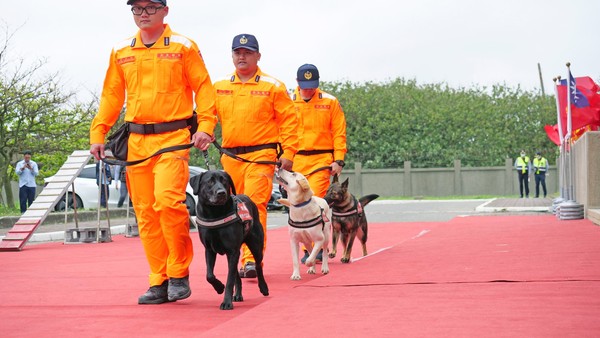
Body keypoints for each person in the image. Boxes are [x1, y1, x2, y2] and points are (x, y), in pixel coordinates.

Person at [89, 0, 217, 305]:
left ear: (165, 11)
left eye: (150, 7)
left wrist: (207, 125)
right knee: (146, 212)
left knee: (168, 202)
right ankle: (158, 279)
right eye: (137, 8)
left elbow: (204, 87)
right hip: (136, 142)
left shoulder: (184, 46)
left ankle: (178, 273)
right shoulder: (121, 51)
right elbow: (111, 94)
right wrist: (98, 132)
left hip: (173, 137)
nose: (143, 14)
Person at [214, 33, 299, 278]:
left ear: (258, 56)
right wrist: (204, 132)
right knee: (231, 207)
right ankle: (235, 254)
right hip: (230, 158)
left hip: (261, 155)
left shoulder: (273, 86)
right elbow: (207, 115)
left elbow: (289, 122)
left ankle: (251, 260)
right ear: (232, 56)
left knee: (253, 203)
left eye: (247, 52)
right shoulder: (219, 87)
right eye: (238, 52)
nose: (242, 56)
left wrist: (289, 153)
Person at [291, 64, 347, 263]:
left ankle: (318, 246)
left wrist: (338, 159)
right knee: (297, 206)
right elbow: (281, 132)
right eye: (304, 85)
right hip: (295, 161)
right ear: (297, 82)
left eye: (312, 85)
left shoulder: (330, 102)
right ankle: (311, 246)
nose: (308, 89)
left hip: (321, 160)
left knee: (312, 201)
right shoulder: (288, 102)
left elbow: (339, 133)